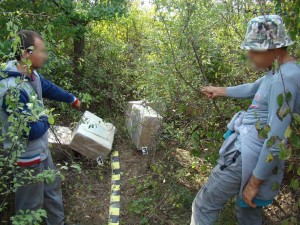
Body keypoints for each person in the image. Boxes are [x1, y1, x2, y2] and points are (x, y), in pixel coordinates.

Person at [190, 15, 300, 225]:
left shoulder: (284, 80)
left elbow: (276, 140)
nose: (249, 55)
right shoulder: (280, 72)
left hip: (246, 156)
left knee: (203, 206)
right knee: (248, 210)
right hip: (254, 155)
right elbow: (251, 89)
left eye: (255, 50)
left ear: (274, 49)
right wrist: (219, 90)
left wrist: (254, 182)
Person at [0, 30, 81, 225]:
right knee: (30, 208)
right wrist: (47, 117)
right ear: (26, 53)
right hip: (27, 159)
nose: (44, 55)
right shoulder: (12, 89)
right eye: (41, 51)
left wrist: (71, 99)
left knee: (52, 191)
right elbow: (29, 130)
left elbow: (47, 87)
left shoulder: (31, 74)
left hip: (43, 152)